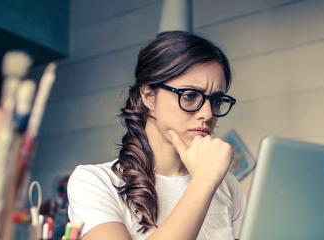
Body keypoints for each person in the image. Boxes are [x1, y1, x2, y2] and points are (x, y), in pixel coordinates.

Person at [67, 31, 244, 240]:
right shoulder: (94, 182)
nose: (207, 113)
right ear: (149, 95)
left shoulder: (228, 186)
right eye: (189, 96)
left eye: (216, 100)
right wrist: (204, 181)